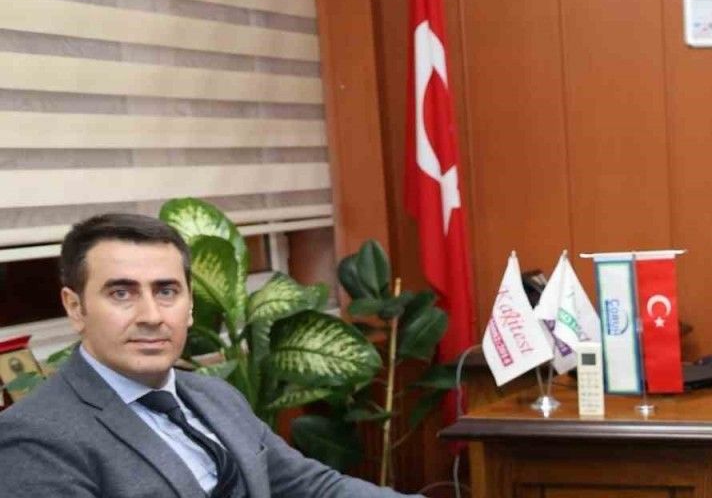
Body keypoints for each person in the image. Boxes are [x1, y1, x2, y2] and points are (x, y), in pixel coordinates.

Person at [0, 213, 415, 497]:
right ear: (75, 308)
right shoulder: (35, 436)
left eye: (166, 291)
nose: (151, 316)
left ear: (190, 306)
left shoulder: (217, 396)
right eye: (121, 293)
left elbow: (314, 488)